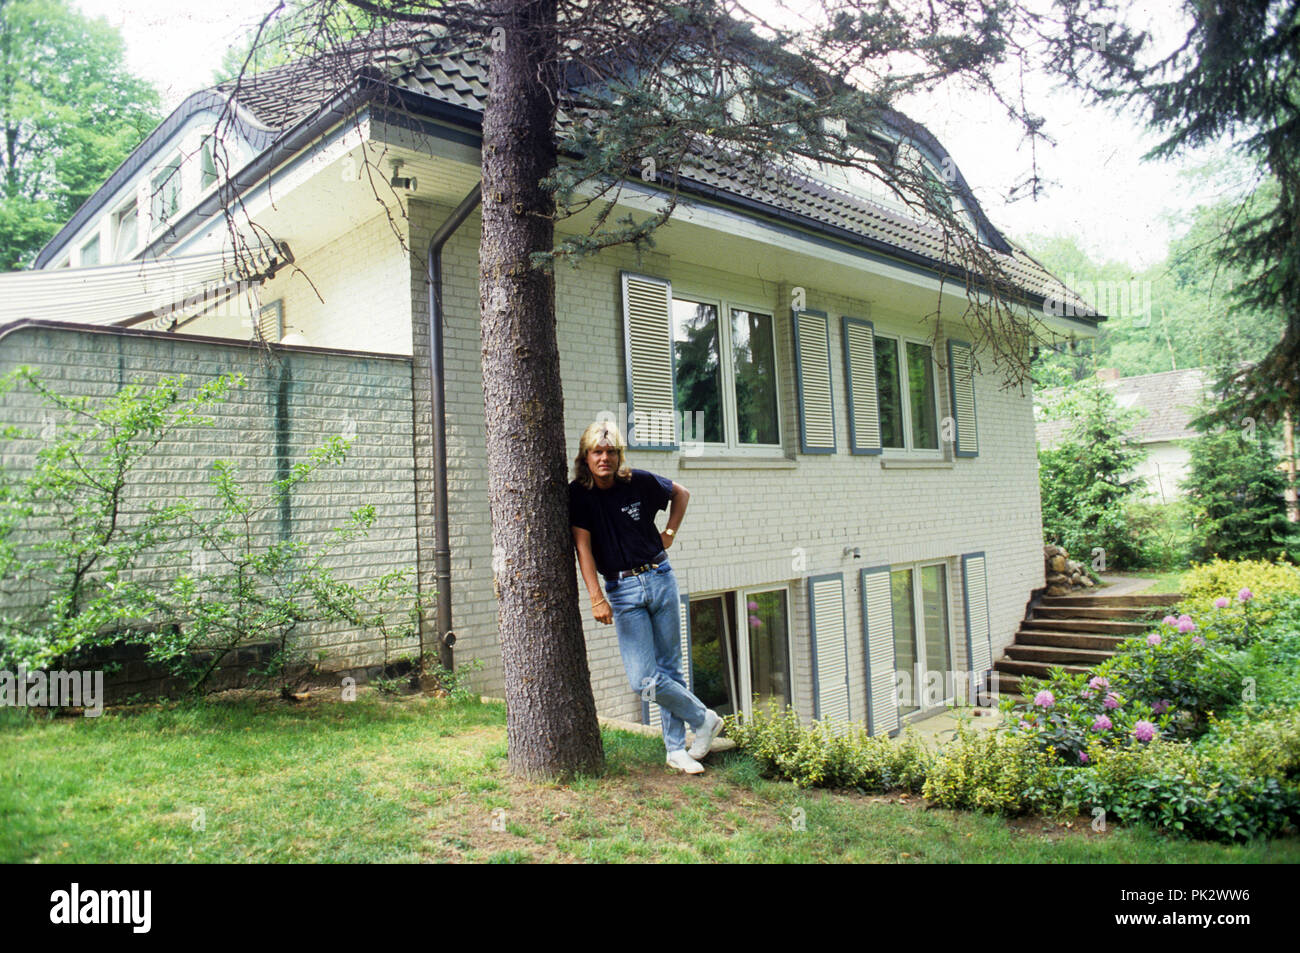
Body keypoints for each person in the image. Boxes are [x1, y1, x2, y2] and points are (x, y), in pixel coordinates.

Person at [568, 420, 723, 774]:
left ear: (618, 454)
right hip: (622, 591)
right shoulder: (578, 495)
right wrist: (595, 597)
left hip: (660, 577)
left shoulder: (636, 481)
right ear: (586, 457)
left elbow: (681, 493)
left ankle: (675, 749)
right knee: (643, 680)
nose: (604, 458)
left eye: (610, 451)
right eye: (597, 452)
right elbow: (583, 547)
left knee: (671, 668)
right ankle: (705, 718)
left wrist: (669, 531)